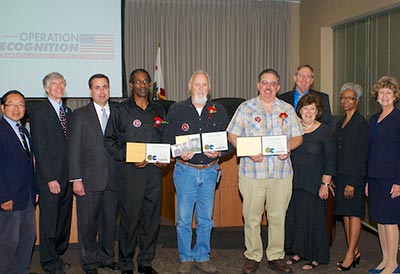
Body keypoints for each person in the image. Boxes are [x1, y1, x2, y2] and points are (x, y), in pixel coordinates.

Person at [227, 68, 303, 274]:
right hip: (253, 173)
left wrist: (288, 147)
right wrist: (249, 151)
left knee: (278, 217)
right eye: (265, 83)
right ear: (258, 85)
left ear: (278, 87)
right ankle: (252, 256)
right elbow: (232, 134)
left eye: (273, 84)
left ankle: (276, 256)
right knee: (251, 217)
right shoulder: (245, 108)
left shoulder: (287, 109)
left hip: (281, 173)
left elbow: (298, 136)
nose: (268, 87)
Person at [163, 70, 233, 274]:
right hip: (185, 171)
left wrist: (220, 152)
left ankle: (202, 256)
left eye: (204, 85)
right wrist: (179, 153)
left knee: (205, 219)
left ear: (209, 88)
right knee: (184, 219)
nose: (201, 88)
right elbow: (168, 140)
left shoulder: (219, 110)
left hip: (210, 172)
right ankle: (185, 257)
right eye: (197, 84)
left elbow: (230, 141)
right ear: (189, 86)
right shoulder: (177, 110)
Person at [105, 69, 166, 274]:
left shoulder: (159, 110)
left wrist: (165, 160)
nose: (142, 85)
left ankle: (146, 262)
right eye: (137, 82)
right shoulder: (120, 110)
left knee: (151, 220)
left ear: (150, 85)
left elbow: (165, 139)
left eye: (145, 82)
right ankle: (125, 264)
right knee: (129, 222)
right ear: (131, 85)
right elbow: (109, 141)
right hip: (131, 174)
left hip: (154, 175)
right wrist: (128, 156)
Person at [68, 74, 120, 274]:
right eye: (97, 87)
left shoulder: (118, 112)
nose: (102, 91)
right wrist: (76, 179)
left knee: (109, 224)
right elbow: (73, 149)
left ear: (109, 88)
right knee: (88, 225)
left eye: (105, 86)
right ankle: (89, 262)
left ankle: (106, 258)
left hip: (114, 179)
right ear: (90, 91)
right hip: (88, 180)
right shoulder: (80, 114)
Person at [284, 93, 335, 270]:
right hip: (294, 181)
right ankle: (299, 252)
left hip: (314, 183)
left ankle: (315, 257)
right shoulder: (293, 129)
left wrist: (325, 184)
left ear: (318, 111)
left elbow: (330, 159)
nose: (308, 112)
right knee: (297, 218)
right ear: (299, 110)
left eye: (312, 109)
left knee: (314, 220)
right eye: (305, 109)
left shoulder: (324, 131)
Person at [30, 72, 73, 274]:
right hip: (51, 179)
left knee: (62, 220)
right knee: (49, 221)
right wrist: (50, 178)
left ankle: (57, 256)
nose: (58, 86)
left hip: (67, 177)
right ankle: (48, 262)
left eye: (61, 83)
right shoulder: (39, 112)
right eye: (54, 84)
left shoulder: (67, 111)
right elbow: (40, 148)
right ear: (46, 88)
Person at [0, 90, 39, 274]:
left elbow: (29, 164)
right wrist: (3, 196)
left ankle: (21, 270)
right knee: (8, 241)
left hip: (28, 197)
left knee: (27, 237)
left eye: (21, 104)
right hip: (9, 198)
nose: (17, 109)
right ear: (2, 107)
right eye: (12, 104)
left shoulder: (23, 131)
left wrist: (36, 189)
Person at [366, 76, 400, 274]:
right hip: (375, 177)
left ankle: (394, 263)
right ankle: (385, 259)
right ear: (376, 97)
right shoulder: (373, 120)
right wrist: (368, 180)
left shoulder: (398, 118)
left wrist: (399, 181)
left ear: (395, 96)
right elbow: (371, 151)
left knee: (390, 220)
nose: (385, 96)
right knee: (379, 219)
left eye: (389, 92)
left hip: (391, 177)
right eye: (381, 93)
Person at [334, 83, 368, 271]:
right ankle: (353, 250)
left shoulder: (361, 123)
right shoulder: (340, 122)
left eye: (350, 98)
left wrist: (352, 183)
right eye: (343, 97)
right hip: (340, 176)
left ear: (358, 101)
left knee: (354, 214)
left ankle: (350, 254)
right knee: (345, 214)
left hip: (353, 177)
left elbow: (361, 155)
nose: (346, 101)